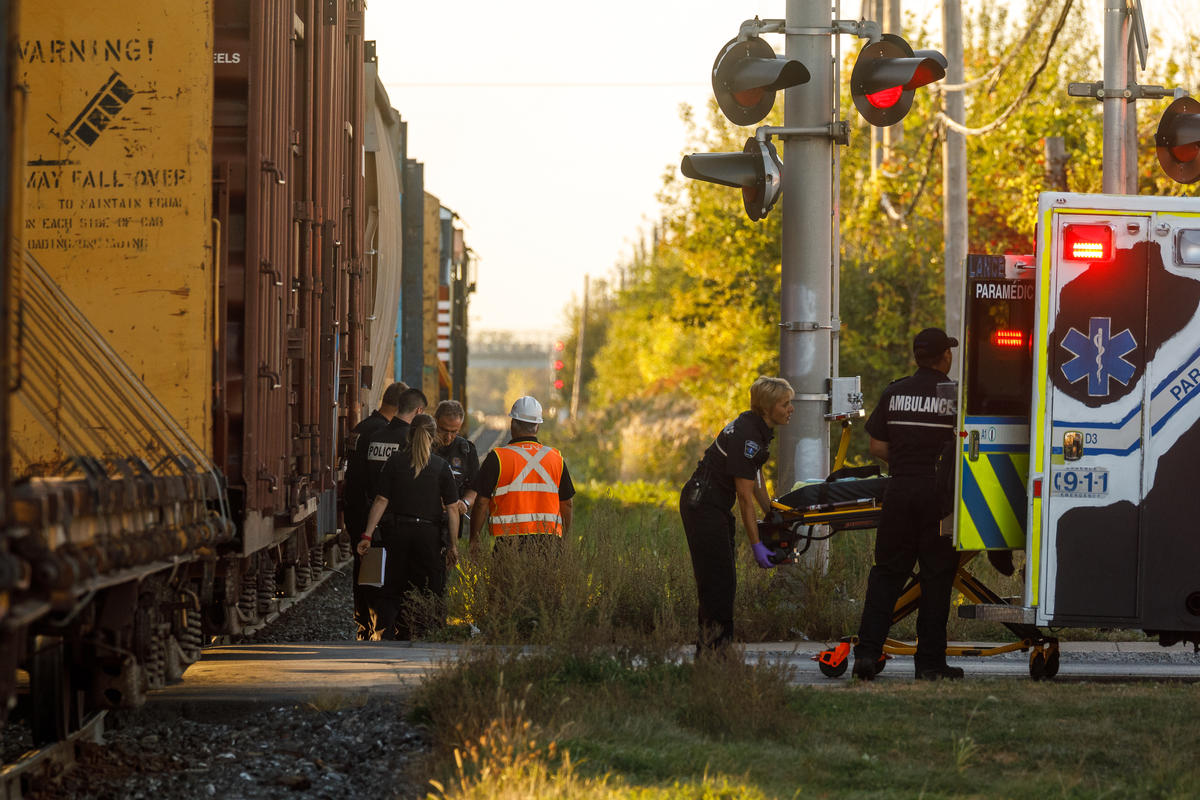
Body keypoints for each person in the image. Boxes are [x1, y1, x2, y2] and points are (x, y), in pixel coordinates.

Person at [852, 327, 963, 682]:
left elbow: (876, 447)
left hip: (899, 491)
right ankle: (929, 664)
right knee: (936, 578)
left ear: (917, 357)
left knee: (885, 575)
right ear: (944, 357)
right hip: (938, 496)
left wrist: (904, 464)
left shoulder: (894, 391)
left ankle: (867, 655)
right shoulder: (956, 397)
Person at [679, 376, 794, 655]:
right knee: (718, 581)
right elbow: (744, 497)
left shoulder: (756, 428)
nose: (791, 409)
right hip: (703, 506)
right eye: (785, 404)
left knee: (722, 581)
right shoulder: (748, 436)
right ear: (767, 408)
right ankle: (714, 652)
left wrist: (772, 513)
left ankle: (713, 651)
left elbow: (756, 478)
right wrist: (756, 545)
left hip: (713, 506)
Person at [356, 414, 459, 640]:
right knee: (429, 588)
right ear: (433, 437)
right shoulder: (441, 467)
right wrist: (453, 545)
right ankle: (425, 635)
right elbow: (452, 509)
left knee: (392, 586)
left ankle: (387, 635)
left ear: (409, 435)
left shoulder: (395, 462)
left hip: (397, 534)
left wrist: (367, 535)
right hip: (429, 538)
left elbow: (381, 501)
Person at [468, 395, 574, 559]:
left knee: (508, 584)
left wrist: (474, 540)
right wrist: (565, 540)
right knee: (543, 584)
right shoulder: (556, 458)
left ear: (512, 425)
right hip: (548, 543)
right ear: (537, 427)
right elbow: (567, 504)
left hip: (508, 544)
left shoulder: (498, 457)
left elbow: (481, 503)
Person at [343, 381, 407, 640]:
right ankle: (376, 628)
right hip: (376, 516)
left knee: (363, 574)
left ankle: (363, 627)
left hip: (355, 510)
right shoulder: (384, 433)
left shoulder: (360, 429)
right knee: (379, 575)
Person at [432, 400, 480, 599]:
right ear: (435, 422)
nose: (449, 436)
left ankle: (436, 618)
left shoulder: (466, 450)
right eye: (444, 430)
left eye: (454, 431)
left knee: (443, 579)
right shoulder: (424, 446)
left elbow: (474, 488)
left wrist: (465, 503)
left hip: (450, 525)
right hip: (425, 522)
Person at [364, 386, 427, 498]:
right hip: (399, 508)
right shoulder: (412, 438)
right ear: (419, 411)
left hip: (373, 505)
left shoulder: (375, 436)